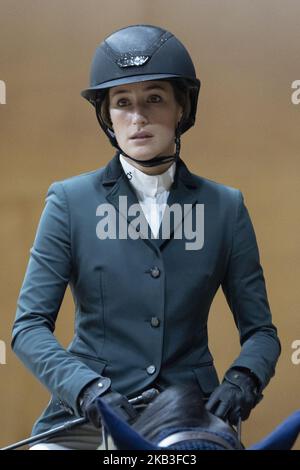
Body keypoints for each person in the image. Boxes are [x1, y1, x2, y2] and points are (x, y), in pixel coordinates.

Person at [11, 24, 281, 450]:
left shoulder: (226, 208)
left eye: (154, 99)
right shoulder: (69, 201)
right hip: (86, 417)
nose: (138, 117)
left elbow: (262, 333)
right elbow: (27, 328)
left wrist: (244, 378)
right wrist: (88, 391)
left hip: (190, 414)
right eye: (122, 103)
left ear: (181, 108)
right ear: (108, 117)